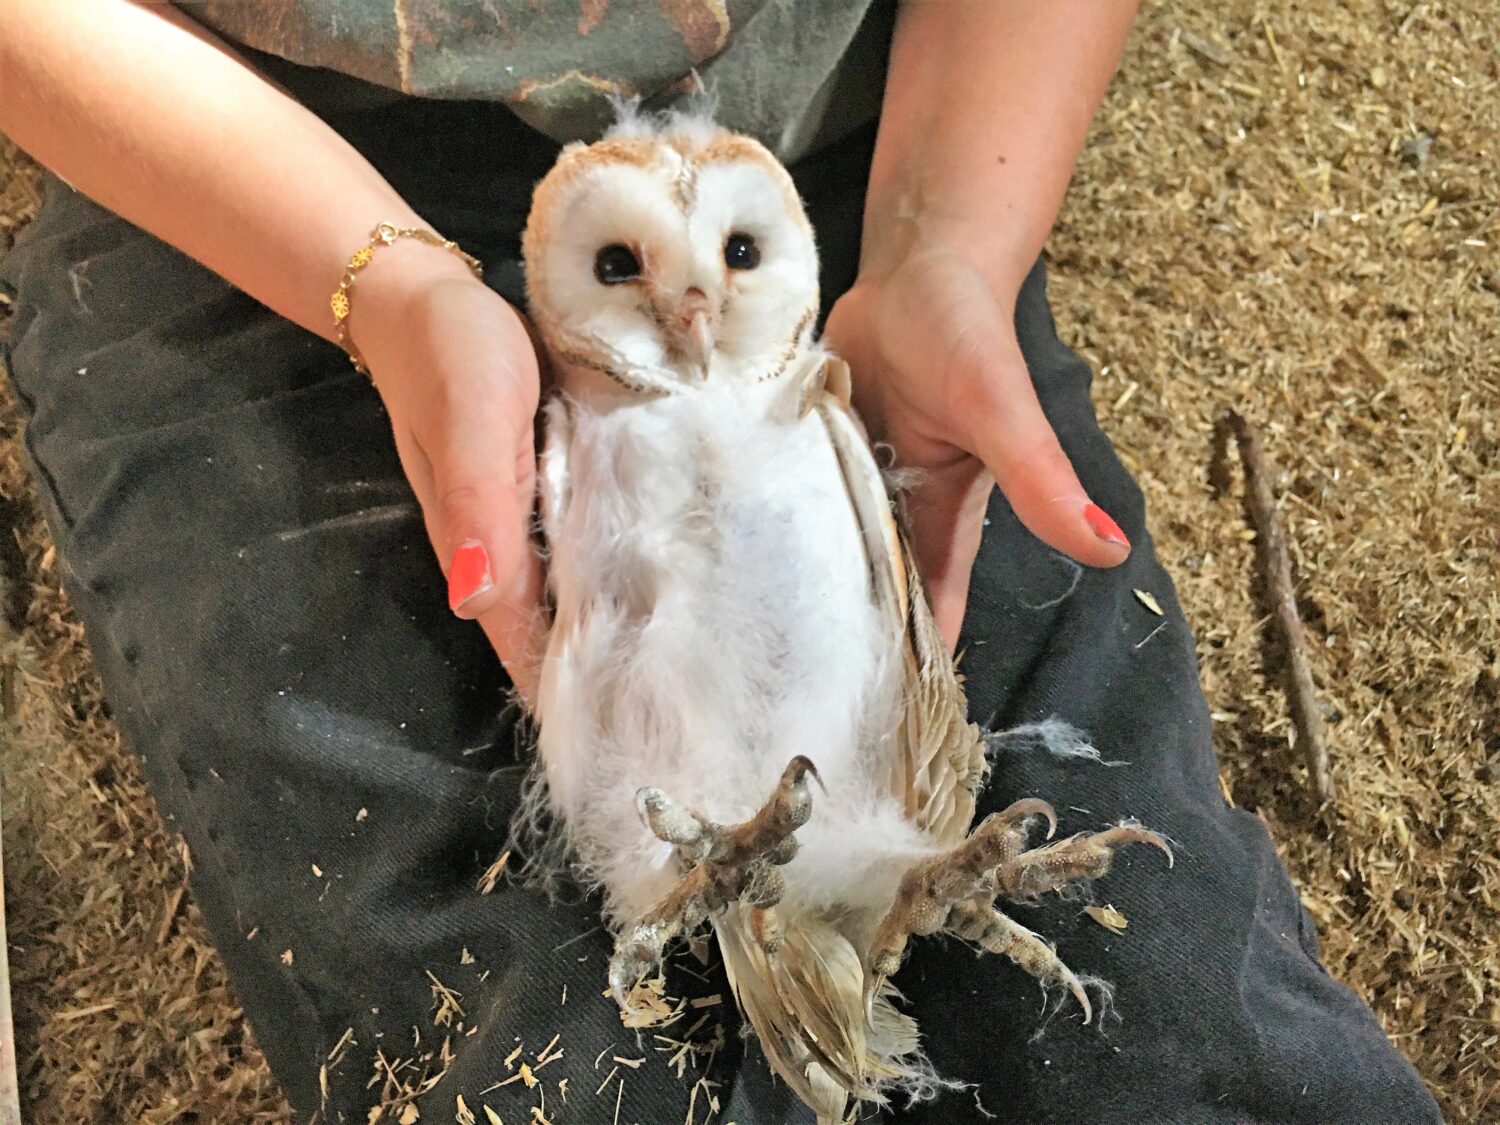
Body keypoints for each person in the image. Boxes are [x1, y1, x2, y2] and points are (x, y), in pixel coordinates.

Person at [0, 2, 1438, 1121]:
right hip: (244, 172)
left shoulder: (770, 279)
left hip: (854, 169)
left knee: (1154, 1004)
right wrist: (390, 287)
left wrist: (950, 242)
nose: (678, 318)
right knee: (526, 1050)